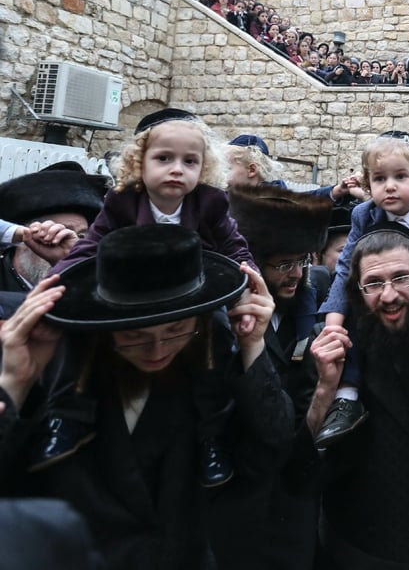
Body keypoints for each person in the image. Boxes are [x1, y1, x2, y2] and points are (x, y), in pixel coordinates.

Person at [0, 224, 290, 570]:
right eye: (134, 335)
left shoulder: (212, 374)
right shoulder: (56, 375)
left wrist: (253, 345)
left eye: (175, 330)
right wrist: (14, 381)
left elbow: (272, 446)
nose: (156, 350)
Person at [34, 108, 254, 483]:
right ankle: (67, 418)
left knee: (217, 339)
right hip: (131, 294)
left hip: (190, 292)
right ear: (140, 163)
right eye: (164, 158)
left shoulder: (210, 203)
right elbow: (91, 247)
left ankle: (210, 436)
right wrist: (56, 280)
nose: (176, 169)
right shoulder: (122, 202)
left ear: (202, 169)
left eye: (189, 161)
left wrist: (248, 287)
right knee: (78, 335)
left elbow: (235, 248)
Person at [300, 223, 409, 569]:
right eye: (374, 284)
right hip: (358, 550)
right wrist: (325, 390)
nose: (390, 295)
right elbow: (302, 472)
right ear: (356, 291)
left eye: (401, 278)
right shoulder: (329, 347)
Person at [312, 132, 409, 448]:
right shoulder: (363, 215)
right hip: (379, 299)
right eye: (379, 179)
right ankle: (348, 396)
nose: (389, 186)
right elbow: (345, 270)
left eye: (399, 176)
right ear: (367, 186)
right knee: (349, 316)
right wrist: (333, 324)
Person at [216, 184, 333, 569]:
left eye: (303, 260)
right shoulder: (223, 321)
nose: (297, 274)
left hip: (292, 499)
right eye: (283, 264)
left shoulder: (309, 318)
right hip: (233, 496)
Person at [0, 163, 107, 293]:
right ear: (26, 236)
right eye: (57, 232)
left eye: (81, 236)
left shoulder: (89, 290)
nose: (71, 245)